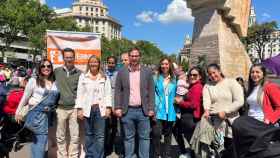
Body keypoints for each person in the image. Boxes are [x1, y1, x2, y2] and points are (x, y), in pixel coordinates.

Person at [190, 63, 244, 158]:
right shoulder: (208, 86)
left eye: (214, 73)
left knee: (232, 150)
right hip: (215, 123)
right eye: (210, 74)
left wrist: (226, 111)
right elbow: (207, 100)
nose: (212, 76)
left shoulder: (231, 82)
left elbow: (239, 101)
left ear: (219, 71)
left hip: (231, 122)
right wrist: (206, 110)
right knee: (218, 150)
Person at [232, 64, 280, 158]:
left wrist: (269, 119)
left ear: (263, 74)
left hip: (262, 125)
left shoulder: (269, 87)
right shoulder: (252, 88)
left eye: (257, 72)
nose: (254, 74)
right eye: (252, 72)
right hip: (250, 124)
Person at [114, 48, 155, 158]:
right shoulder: (122, 72)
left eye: (136, 56)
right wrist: (117, 107)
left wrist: (151, 108)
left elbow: (151, 91)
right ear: (129, 56)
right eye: (132, 56)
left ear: (139, 57)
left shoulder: (147, 71)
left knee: (144, 137)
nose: (134, 58)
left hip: (143, 110)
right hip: (127, 111)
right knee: (128, 137)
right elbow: (118, 90)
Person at [15, 59, 59, 158]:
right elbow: (25, 97)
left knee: (38, 141)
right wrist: (18, 112)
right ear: (39, 68)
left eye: (48, 66)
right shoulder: (33, 80)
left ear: (51, 68)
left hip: (48, 115)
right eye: (43, 66)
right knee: (41, 141)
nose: (46, 68)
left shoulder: (54, 82)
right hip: (37, 115)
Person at [75, 55, 112, 158]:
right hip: (87, 109)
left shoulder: (104, 77)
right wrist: (79, 109)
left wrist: (108, 108)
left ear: (99, 64)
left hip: (100, 110)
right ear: (88, 64)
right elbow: (80, 94)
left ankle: (98, 156)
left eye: (95, 62)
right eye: (91, 62)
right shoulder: (83, 77)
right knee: (88, 135)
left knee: (100, 136)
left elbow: (108, 93)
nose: (93, 64)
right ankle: (90, 155)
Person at [54, 48, 81, 158]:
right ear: (63, 58)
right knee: (60, 136)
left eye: (71, 57)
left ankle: (73, 156)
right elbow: (45, 81)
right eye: (66, 57)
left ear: (74, 58)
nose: (69, 59)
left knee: (75, 136)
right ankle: (62, 156)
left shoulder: (80, 73)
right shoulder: (56, 71)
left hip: (74, 109)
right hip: (60, 108)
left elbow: (82, 92)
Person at [175, 66, 205, 158]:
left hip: (191, 118)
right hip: (189, 118)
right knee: (193, 143)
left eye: (195, 75)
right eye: (190, 75)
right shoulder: (194, 86)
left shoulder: (197, 87)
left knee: (194, 144)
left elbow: (193, 105)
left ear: (200, 76)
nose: (192, 77)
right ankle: (188, 153)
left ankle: (187, 153)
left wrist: (181, 102)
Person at [151, 58, 177, 158]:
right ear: (160, 65)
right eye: (162, 64)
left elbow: (178, 93)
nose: (164, 66)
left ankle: (167, 155)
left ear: (169, 65)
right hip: (158, 110)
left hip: (170, 111)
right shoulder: (155, 78)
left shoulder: (174, 79)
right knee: (156, 134)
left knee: (168, 135)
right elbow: (152, 93)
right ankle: (156, 154)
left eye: (166, 64)